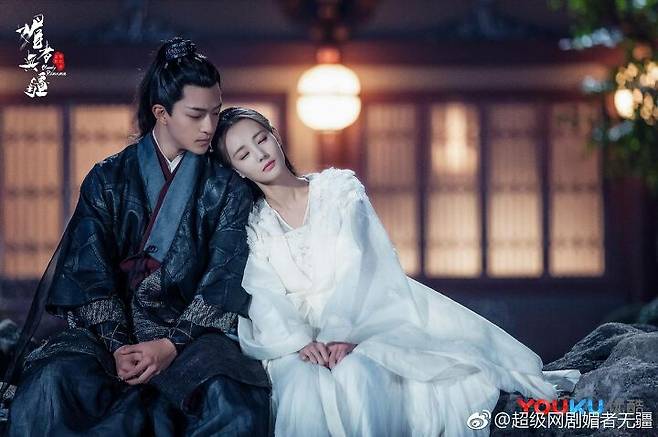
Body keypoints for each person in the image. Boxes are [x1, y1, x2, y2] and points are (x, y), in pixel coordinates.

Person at [213, 107, 581, 437]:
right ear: (236, 170)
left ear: (275, 136)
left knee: (357, 374)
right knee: (300, 386)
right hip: (296, 337)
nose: (259, 154)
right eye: (243, 154)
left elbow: (360, 263)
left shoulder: (338, 189)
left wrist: (342, 333)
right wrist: (298, 341)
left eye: (261, 139)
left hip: (367, 313)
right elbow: (264, 291)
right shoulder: (255, 225)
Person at [4, 39, 270, 436]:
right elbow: (88, 272)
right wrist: (118, 345)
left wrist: (170, 345)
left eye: (215, 112)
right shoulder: (107, 178)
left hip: (194, 336)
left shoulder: (228, 185)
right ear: (161, 113)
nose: (209, 127)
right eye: (196, 114)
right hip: (110, 336)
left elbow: (225, 276)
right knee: (50, 386)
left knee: (232, 402)